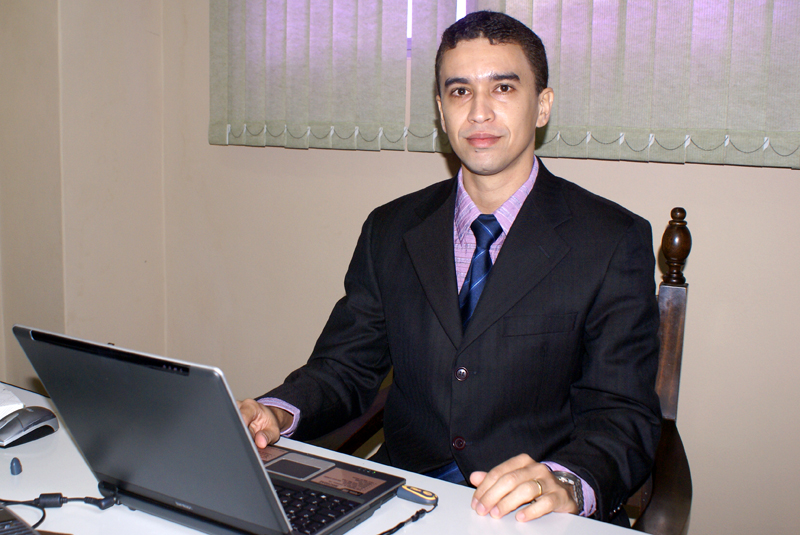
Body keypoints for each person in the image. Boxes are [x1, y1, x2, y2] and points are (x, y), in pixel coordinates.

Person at [239, 10, 661, 526]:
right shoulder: (390, 228)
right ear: (441, 111)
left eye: (503, 88)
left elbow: (623, 415)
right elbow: (345, 368)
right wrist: (276, 411)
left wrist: (567, 481)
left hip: (531, 515)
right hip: (405, 497)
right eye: (460, 91)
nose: (479, 112)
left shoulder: (611, 240)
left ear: (542, 106)